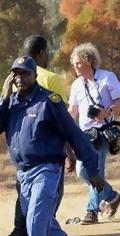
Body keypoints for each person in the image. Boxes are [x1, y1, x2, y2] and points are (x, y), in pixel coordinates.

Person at [0, 56, 104, 236]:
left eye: (25, 73)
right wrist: (5, 99)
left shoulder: (48, 101)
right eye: (15, 74)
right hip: (23, 175)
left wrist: (92, 169)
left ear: (34, 75)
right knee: (49, 228)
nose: (19, 78)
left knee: (35, 226)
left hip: (45, 171)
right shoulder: (11, 103)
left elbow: (73, 134)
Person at [8, 35, 75, 236]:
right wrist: (69, 153)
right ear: (43, 52)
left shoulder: (11, 81)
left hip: (23, 158)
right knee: (43, 210)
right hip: (48, 158)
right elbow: (63, 122)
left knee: (30, 210)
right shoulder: (52, 79)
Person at [68, 42, 120, 224]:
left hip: (102, 133)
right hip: (84, 134)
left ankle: (91, 211)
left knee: (96, 171)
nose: (75, 66)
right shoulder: (76, 84)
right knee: (81, 172)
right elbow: (72, 110)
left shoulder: (107, 78)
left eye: (78, 62)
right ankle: (112, 196)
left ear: (89, 61)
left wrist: (107, 111)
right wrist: (63, 126)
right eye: (74, 63)